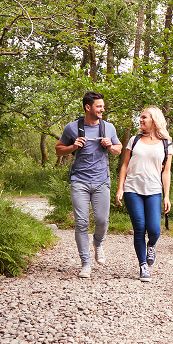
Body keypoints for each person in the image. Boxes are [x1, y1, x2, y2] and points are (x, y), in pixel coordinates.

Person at [56, 91, 122, 278]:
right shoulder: (72, 127)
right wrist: (73, 147)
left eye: (103, 106)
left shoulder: (108, 127)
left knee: (102, 221)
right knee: (81, 222)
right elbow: (58, 150)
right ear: (88, 107)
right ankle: (85, 264)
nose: (103, 109)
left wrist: (110, 145)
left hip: (102, 181)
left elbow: (118, 150)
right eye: (99, 106)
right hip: (79, 181)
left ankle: (98, 243)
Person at [116, 106, 173, 282]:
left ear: (154, 120)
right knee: (139, 228)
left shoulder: (166, 143)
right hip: (132, 189)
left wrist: (166, 196)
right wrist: (120, 188)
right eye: (140, 118)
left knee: (155, 229)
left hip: (154, 190)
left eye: (144, 117)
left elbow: (166, 172)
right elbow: (125, 165)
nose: (140, 120)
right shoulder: (134, 140)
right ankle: (143, 266)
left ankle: (152, 245)